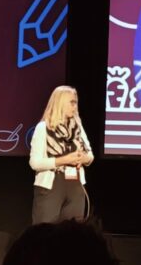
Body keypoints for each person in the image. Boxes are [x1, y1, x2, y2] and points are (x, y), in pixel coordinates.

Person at [29, 85, 95, 224]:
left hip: (75, 184)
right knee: (45, 232)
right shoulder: (43, 128)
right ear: (60, 103)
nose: (75, 106)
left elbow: (90, 155)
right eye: (72, 102)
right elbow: (35, 163)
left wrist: (84, 158)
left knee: (73, 232)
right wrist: (64, 160)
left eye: (76, 102)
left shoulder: (78, 128)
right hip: (52, 184)